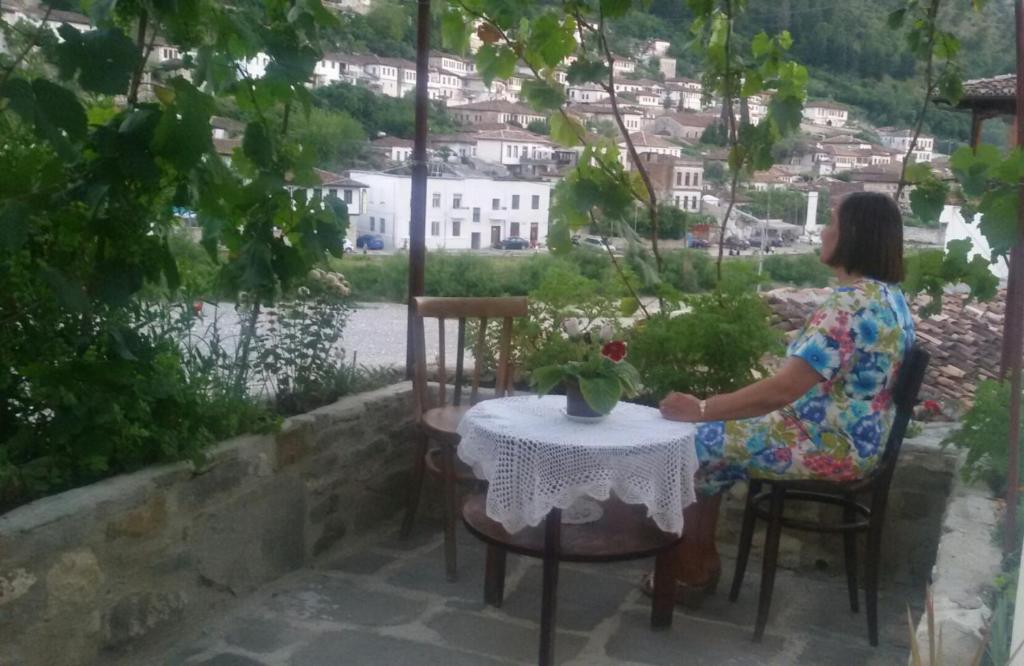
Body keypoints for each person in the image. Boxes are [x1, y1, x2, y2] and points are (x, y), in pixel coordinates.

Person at [653, 192, 915, 605]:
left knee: (690, 442)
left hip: (829, 443)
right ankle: (695, 565)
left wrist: (701, 409)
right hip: (855, 439)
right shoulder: (890, 298)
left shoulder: (850, 304)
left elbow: (781, 390)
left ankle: (691, 569)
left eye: (832, 223)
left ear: (853, 235)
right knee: (709, 447)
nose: (825, 232)